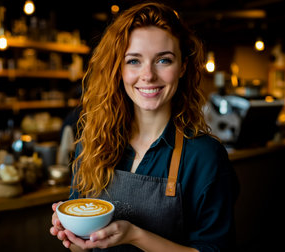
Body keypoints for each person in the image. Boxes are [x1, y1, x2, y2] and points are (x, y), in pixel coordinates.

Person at [50, 2, 239, 251]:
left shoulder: (205, 157)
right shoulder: (92, 143)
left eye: (163, 60)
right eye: (133, 61)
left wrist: (135, 235)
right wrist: (71, 234)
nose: (148, 75)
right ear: (118, 69)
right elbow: (82, 247)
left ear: (182, 66)